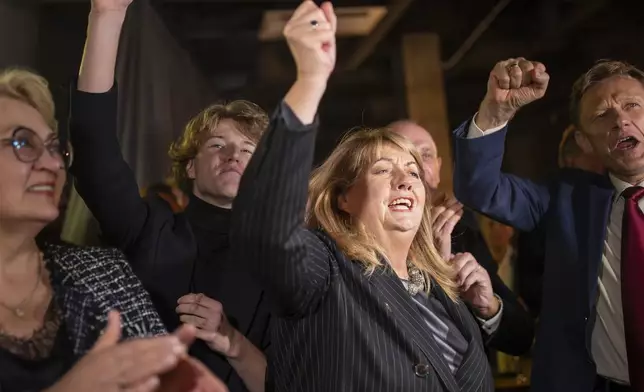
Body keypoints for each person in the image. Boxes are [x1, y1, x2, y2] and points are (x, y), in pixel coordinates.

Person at [230, 2, 495, 390]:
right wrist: (310, 81)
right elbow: (266, 231)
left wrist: (487, 310)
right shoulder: (326, 271)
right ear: (343, 198)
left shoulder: (440, 284)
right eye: (383, 170)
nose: (404, 181)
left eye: (413, 172)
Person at [69, 1, 267, 391]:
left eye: (247, 150)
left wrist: (231, 338)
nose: (232, 156)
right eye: (217, 145)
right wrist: (106, 17)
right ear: (190, 167)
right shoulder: (150, 228)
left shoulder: (281, 260)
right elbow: (94, 154)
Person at [0, 67, 227, 392]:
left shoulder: (103, 272)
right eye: (24, 143)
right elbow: (98, 156)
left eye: (54, 148)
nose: (52, 164)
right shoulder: (153, 226)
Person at [451, 57, 644, 392]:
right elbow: (479, 188)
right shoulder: (564, 200)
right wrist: (495, 113)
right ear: (585, 142)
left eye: (632, 106)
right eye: (602, 115)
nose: (620, 120)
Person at [389, 120, 535, 356]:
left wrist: (488, 307)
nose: (414, 166)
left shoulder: (462, 232)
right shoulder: (358, 242)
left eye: (425, 155)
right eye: (401, 154)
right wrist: (432, 266)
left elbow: (522, 336)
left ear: (437, 170)